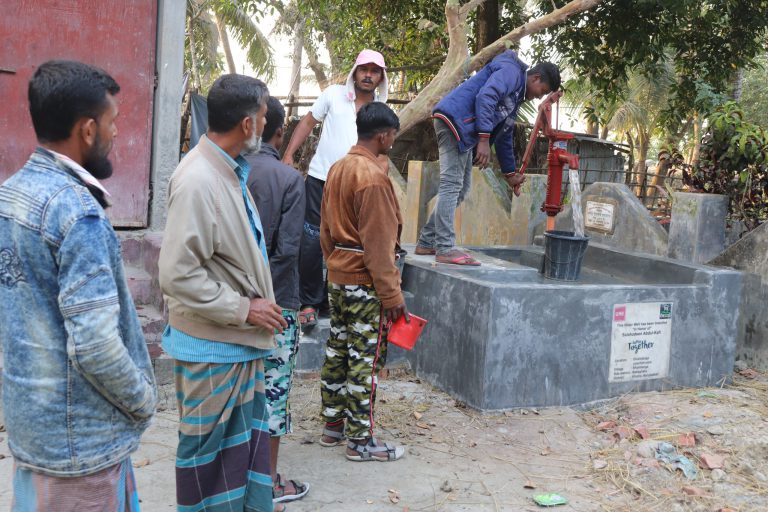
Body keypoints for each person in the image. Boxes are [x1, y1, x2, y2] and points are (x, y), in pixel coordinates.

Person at [0, 60, 157, 511]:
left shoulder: (13, 194)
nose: (117, 135)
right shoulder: (78, 213)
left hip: (35, 431)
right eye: (113, 123)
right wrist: (143, 399)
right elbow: (95, 346)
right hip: (81, 447)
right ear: (87, 130)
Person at [158, 74, 288, 512]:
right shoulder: (198, 179)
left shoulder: (226, 171)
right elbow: (177, 274)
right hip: (213, 347)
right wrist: (243, 308)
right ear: (249, 124)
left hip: (234, 345)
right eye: (265, 114)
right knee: (206, 466)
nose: (267, 122)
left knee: (233, 466)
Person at [318, 102, 408, 462]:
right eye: (393, 136)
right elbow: (380, 248)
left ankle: (333, 426)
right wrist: (392, 296)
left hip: (338, 275)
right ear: (384, 136)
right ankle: (360, 441)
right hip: (365, 281)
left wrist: (335, 264)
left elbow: (325, 231)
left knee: (338, 349)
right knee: (364, 358)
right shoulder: (372, 178)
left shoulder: (339, 168)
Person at [416, 52, 560, 266]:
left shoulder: (516, 96)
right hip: (455, 122)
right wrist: (483, 138)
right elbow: (486, 96)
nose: (539, 97)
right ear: (536, 78)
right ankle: (445, 248)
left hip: (464, 130)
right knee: (452, 184)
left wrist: (510, 174)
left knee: (461, 188)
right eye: (543, 91)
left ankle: (427, 241)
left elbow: (505, 135)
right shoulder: (512, 73)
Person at [282, 49, 389, 330]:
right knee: (312, 240)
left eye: (374, 71)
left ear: (381, 77)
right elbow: (307, 122)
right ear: (355, 70)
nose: (368, 74)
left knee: (350, 242)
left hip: (357, 187)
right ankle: (309, 301)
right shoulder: (332, 95)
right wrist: (288, 154)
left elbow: (383, 148)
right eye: (363, 68)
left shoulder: (381, 109)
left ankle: (334, 299)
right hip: (321, 179)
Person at [245, 97, 310, 504]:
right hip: (275, 301)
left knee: (239, 388)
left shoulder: (225, 171)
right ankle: (268, 482)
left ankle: (236, 476)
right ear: (279, 131)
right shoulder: (288, 179)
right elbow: (287, 251)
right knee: (273, 390)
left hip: (229, 302)